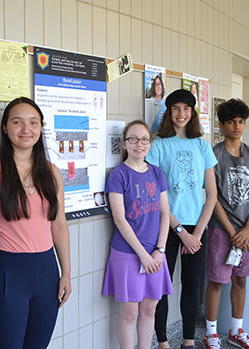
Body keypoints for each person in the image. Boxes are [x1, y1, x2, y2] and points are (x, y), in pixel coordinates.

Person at [0, 97, 71, 348]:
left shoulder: (51, 172)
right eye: (17, 122)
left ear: (41, 128)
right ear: (5, 127)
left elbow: (59, 224)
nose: (26, 129)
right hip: (8, 272)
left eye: (33, 123)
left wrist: (66, 272)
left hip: (46, 271)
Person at [146, 89, 218, 349]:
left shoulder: (202, 145)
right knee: (161, 285)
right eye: (175, 108)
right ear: (168, 112)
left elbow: (212, 194)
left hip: (196, 228)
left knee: (192, 285)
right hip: (166, 226)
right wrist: (180, 231)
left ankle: (188, 340)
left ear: (193, 113)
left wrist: (197, 233)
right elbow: (154, 195)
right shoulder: (158, 146)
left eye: (186, 109)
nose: (181, 114)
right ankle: (163, 342)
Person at [103, 120, 173, 349]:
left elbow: (165, 213)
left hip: (156, 253)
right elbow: (119, 219)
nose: (139, 144)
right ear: (124, 143)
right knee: (130, 312)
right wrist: (143, 255)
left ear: (150, 144)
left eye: (144, 139)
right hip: (128, 253)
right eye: (133, 139)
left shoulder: (157, 173)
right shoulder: (118, 175)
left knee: (149, 308)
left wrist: (160, 250)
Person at [203, 99, 249, 349]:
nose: (237, 126)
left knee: (241, 280)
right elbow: (212, 196)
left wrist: (248, 228)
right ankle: (211, 334)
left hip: (248, 232)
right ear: (221, 125)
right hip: (221, 230)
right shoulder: (214, 154)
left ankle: (236, 331)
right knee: (217, 281)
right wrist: (231, 231)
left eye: (240, 121)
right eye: (231, 122)